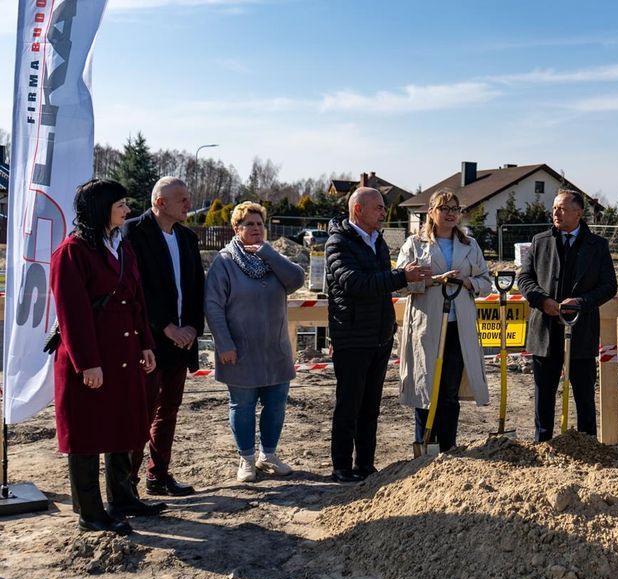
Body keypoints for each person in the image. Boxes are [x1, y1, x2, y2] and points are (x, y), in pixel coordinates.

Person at [50, 178, 165, 534]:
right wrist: (87, 363)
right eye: (121, 205)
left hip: (125, 353)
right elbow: (73, 312)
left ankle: (123, 498)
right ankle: (90, 511)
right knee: (87, 435)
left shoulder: (122, 247)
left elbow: (136, 301)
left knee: (123, 425)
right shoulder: (72, 251)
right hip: (92, 359)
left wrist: (146, 342)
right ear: (102, 208)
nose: (127, 210)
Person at [326, 187, 431, 482]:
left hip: (378, 336)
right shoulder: (339, 244)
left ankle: (365, 464)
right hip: (352, 336)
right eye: (379, 208)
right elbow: (354, 283)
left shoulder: (378, 242)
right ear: (358, 209)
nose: (384, 213)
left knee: (370, 406)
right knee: (349, 404)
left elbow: (380, 283)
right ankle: (342, 466)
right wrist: (401, 276)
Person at [205, 202, 306, 481]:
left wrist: (270, 254)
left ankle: (268, 455)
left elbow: (297, 279)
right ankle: (247, 459)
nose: (256, 229)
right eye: (249, 224)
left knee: (276, 404)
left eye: (260, 223)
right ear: (236, 229)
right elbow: (213, 306)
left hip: (275, 349)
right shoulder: (224, 262)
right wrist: (224, 343)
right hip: (239, 351)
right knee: (243, 405)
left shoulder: (271, 259)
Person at [124, 176, 204, 497]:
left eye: (187, 197)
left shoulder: (186, 237)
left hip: (181, 342)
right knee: (140, 414)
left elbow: (197, 286)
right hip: (150, 342)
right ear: (160, 202)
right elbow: (136, 289)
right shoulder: (133, 232)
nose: (188, 203)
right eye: (181, 198)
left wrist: (193, 328)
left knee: (168, 410)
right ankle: (126, 484)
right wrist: (167, 327)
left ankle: (158, 476)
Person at [396, 189, 493, 451]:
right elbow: (400, 285)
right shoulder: (414, 244)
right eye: (443, 208)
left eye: (454, 209)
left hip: (457, 328)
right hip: (427, 327)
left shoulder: (469, 245)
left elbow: (486, 283)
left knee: (449, 392)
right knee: (425, 389)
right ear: (431, 212)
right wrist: (433, 281)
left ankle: (448, 448)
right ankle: (425, 446)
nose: (450, 214)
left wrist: (467, 282)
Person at [518, 190, 618, 442]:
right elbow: (525, 278)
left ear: (578, 213)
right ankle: (543, 444)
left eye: (561, 208)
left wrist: (581, 303)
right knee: (543, 396)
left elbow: (608, 286)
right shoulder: (540, 241)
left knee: (584, 395)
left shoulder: (597, 246)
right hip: (545, 333)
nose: (556, 213)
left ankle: (587, 444)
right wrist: (543, 300)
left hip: (581, 333)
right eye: (554, 208)